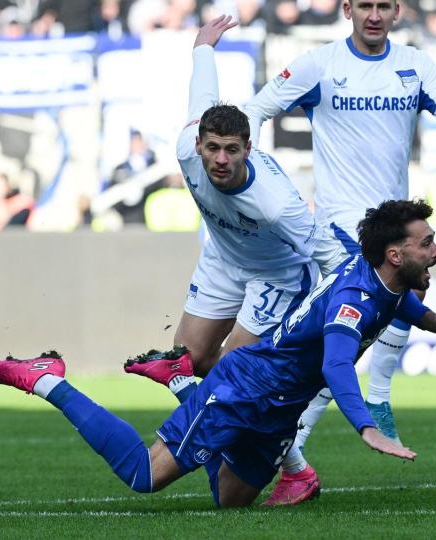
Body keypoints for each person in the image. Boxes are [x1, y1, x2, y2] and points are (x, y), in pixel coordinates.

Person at [0, 199, 436, 508]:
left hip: (278, 409)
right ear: (396, 254)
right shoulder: (351, 304)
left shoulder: (380, 282)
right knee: (144, 475)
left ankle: (182, 382)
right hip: (243, 387)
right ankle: (46, 378)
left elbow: (398, 301)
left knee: (230, 502)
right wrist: (367, 428)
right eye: (427, 243)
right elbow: (336, 364)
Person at [241, 0, 436, 504]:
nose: (374, 14)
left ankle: (306, 446)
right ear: (347, 10)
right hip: (342, 228)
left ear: (397, 11)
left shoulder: (415, 65)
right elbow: (257, 109)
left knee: (361, 331)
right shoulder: (320, 65)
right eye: (365, 5)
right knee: (344, 344)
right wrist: (245, 167)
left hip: (395, 224)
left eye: (383, 5)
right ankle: (310, 443)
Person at [124, 16, 347, 407]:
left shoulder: (275, 203)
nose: (221, 159)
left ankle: (286, 458)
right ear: (197, 145)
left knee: (232, 372)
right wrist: (204, 48)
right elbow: (203, 92)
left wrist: (352, 315)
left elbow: (331, 258)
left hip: (276, 274)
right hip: (223, 258)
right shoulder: (184, 150)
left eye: (232, 150)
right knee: (189, 360)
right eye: (212, 148)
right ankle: (265, 420)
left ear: (248, 148)